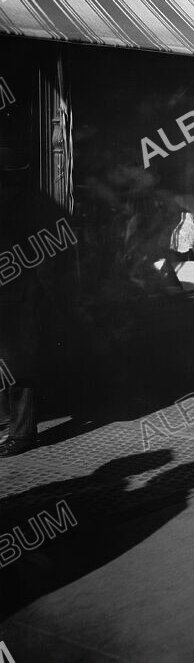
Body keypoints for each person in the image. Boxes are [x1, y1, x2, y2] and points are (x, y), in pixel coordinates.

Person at [0, 146, 66, 457]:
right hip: (18, 296)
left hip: (21, 298)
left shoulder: (30, 206)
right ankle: (18, 430)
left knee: (20, 369)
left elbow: (47, 260)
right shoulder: (34, 204)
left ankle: (22, 434)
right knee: (16, 367)